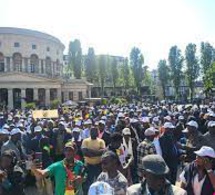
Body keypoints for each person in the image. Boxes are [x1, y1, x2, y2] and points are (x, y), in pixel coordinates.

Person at [81, 127, 106, 193]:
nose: (94, 132)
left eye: (96, 131)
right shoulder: (85, 141)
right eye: (92, 131)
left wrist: (90, 151)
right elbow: (85, 153)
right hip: (88, 165)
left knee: (100, 182)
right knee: (87, 183)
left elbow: (102, 152)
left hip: (98, 165)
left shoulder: (101, 141)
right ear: (90, 132)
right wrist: (97, 152)